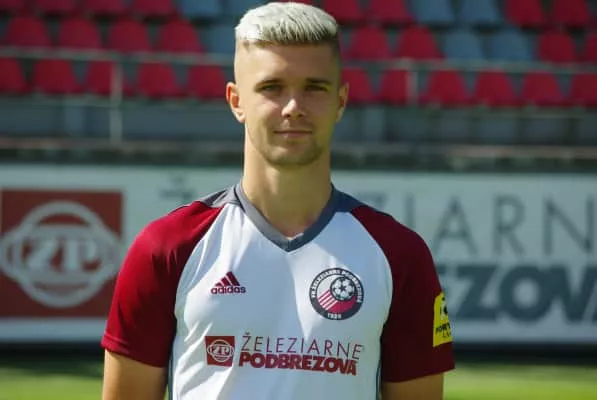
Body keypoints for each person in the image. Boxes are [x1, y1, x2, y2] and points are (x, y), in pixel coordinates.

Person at [100, 2, 454, 399]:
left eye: (314, 88)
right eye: (272, 88)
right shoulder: (168, 247)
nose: (293, 108)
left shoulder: (399, 255)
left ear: (340, 101)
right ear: (236, 101)